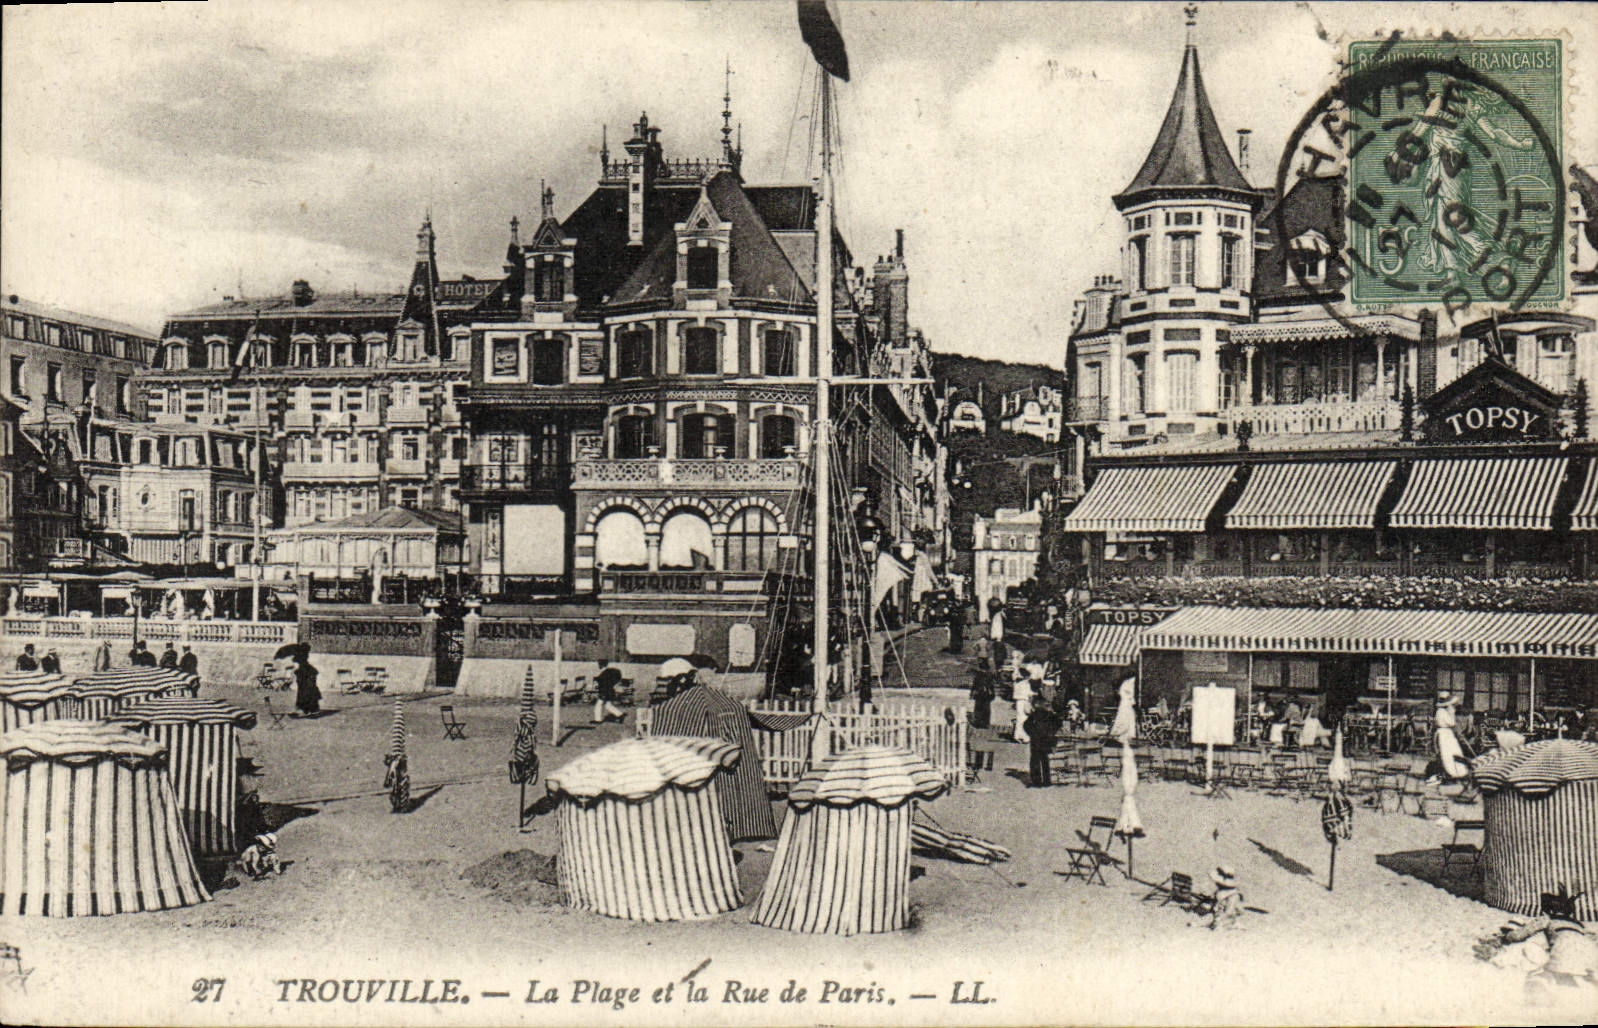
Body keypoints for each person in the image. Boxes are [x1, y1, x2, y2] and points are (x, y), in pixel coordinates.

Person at [1025, 702, 1060, 787]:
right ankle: (1047, 781)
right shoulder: (1050, 715)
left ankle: (1036, 782)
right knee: (1045, 760)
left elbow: (1026, 725)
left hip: (1036, 740)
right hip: (1046, 739)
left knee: (1035, 760)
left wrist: (1032, 733)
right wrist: (1052, 732)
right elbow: (1059, 723)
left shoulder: (1035, 714)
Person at [1209, 866, 1246, 931]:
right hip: (1218, 919)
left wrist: (1218, 919)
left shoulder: (1233, 895)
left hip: (1225, 921)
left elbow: (1229, 912)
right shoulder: (1220, 892)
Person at [1011, 665, 1034, 744]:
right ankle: (1022, 736)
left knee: (1020, 718)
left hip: (1019, 701)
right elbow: (1029, 693)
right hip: (1024, 701)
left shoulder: (1017, 683)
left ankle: (1018, 735)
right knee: (1023, 719)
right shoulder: (1025, 683)